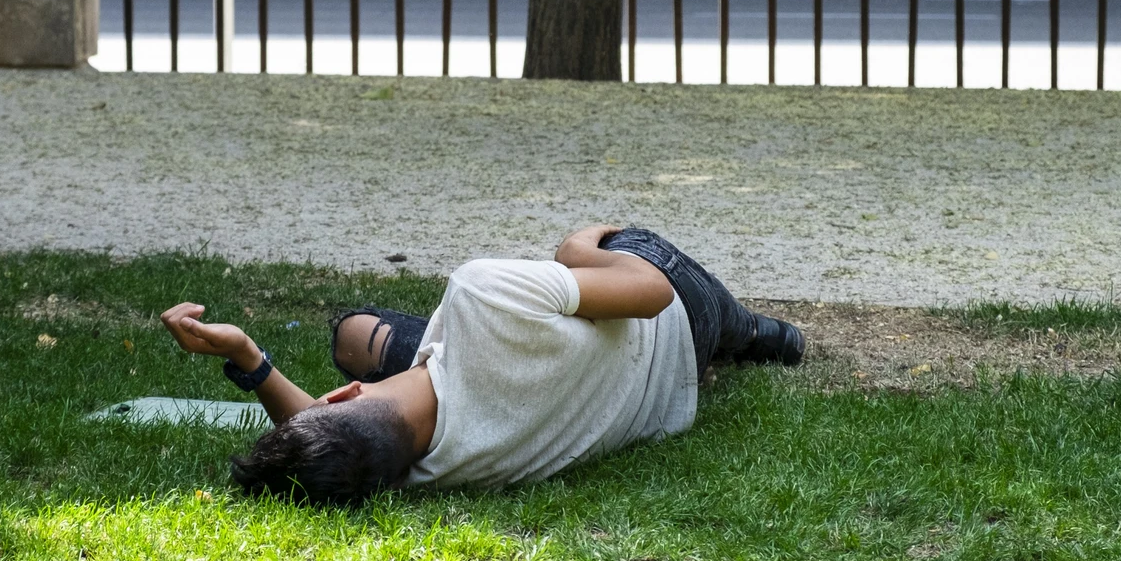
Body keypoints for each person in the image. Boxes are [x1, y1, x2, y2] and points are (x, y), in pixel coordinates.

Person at [157, 226, 806, 504]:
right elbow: (650, 290)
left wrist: (248, 357)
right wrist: (574, 249)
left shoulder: (417, 470)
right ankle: (755, 330)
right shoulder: (483, 295)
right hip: (674, 326)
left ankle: (746, 331)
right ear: (347, 394)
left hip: (607, 386)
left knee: (356, 331)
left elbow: (327, 443)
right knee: (623, 244)